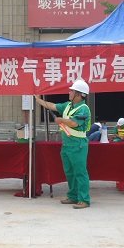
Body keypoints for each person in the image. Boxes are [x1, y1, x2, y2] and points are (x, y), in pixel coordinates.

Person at [35, 79, 91, 209]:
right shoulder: (68, 105)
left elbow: (74, 123)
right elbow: (52, 106)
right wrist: (38, 100)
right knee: (70, 172)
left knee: (80, 172)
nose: (69, 92)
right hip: (67, 144)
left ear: (79, 94)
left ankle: (84, 199)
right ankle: (73, 196)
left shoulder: (84, 109)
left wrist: (61, 120)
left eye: (72, 91)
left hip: (78, 144)